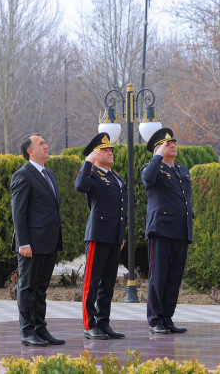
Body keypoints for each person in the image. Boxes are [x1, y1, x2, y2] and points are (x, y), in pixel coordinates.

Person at [10, 133, 65, 347]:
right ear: (30, 151)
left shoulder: (48, 174)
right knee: (27, 287)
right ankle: (27, 331)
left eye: (45, 141)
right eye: (41, 143)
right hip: (30, 244)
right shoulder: (22, 175)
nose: (46, 145)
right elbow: (19, 212)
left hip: (48, 242)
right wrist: (23, 243)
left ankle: (40, 328)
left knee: (41, 288)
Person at [74, 133, 127, 340]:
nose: (110, 152)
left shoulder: (116, 176)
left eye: (111, 149)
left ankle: (103, 323)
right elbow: (80, 186)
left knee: (108, 283)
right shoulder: (92, 173)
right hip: (98, 234)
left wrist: (121, 235)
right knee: (92, 282)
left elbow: (122, 208)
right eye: (105, 150)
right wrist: (87, 162)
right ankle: (90, 324)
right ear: (96, 154)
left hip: (114, 236)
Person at [140, 127, 193, 334]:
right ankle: (155, 320)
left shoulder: (181, 170)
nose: (172, 145)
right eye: (167, 143)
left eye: (174, 143)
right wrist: (157, 158)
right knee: (158, 277)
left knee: (173, 279)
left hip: (180, 230)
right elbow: (148, 180)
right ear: (157, 149)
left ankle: (167, 318)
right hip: (161, 230)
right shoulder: (150, 167)